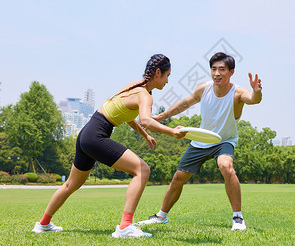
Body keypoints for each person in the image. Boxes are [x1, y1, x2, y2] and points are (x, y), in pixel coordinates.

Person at [32, 54, 186, 238]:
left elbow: (128, 116)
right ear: (158, 72)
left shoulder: (134, 87)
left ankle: (43, 224)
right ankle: (125, 227)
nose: (168, 81)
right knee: (142, 170)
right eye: (168, 75)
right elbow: (145, 119)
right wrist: (172, 132)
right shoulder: (144, 95)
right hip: (96, 135)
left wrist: (145, 135)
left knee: (71, 184)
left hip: (86, 134)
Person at [137, 52, 262, 230]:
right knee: (178, 177)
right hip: (202, 139)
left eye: (222, 69)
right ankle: (161, 216)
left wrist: (257, 92)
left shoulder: (238, 92)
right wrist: (162, 117)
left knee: (226, 166)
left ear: (231, 72)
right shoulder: (204, 89)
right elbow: (184, 103)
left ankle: (238, 218)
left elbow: (253, 100)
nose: (217, 73)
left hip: (224, 140)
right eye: (213, 69)